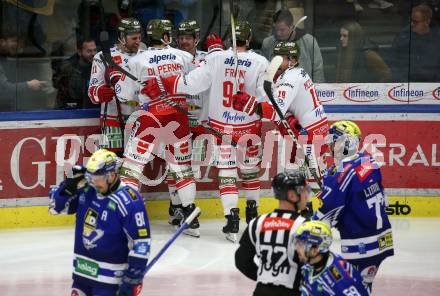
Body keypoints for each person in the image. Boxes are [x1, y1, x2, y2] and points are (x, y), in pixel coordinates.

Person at [143, 21, 269, 242]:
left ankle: (231, 220)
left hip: (222, 127)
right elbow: (268, 99)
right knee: (249, 171)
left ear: (229, 40)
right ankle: (253, 212)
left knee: (227, 174)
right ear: (248, 40)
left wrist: (163, 84)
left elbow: (191, 84)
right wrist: (253, 104)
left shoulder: (215, 58)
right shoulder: (260, 61)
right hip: (250, 127)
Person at [116, 19, 201, 237]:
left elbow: (123, 95)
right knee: (182, 168)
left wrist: (129, 85)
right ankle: (191, 217)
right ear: (166, 36)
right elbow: (196, 83)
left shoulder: (138, 60)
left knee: (132, 168)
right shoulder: (183, 56)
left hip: (151, 119)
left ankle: (127, 216)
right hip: (178, 119)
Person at [49, 149, 151, 296]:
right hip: (82, 275)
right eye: (91, 177)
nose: (93, 182)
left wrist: (133, 276)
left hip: (109, 283)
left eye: (98, 178)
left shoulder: (130, 201)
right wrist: (68, 188)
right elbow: (54, 208)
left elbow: (141, 241)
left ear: (112, 175)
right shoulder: (87, 190)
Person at [232, 41, 329, 193]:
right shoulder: (295, 73)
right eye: (275, 57)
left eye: (281, 58)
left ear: (293, 60)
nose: (276, 61)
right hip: (311, 128)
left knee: (313, 178)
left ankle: (324, 210)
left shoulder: (290, 78)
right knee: (300, 175)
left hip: (309, 133)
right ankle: (306, 209)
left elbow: (276, 110)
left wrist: (251, 105)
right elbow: (277, 102)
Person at [312, 120, 394, 293]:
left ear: (347, 142)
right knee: (364, 287)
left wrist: (308, 226)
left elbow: (328, 214)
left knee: (351, 289)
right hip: (383, 239)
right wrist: (330, 186)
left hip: (361, 245)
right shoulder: (369, 162)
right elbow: (355, 194)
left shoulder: (341, 174)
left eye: (334, 142)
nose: (331, 147)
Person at [235, 171, 309, 296]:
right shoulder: (304, 226)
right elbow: (314, 265)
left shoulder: (257, 223)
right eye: (304, 191)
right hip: (292, 292)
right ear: (292, 195)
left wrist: (265, 278)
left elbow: (241, 260)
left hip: (261, 291)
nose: (307, 195)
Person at [165, 20, 209, 227]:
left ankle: (184, 204)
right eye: (181, 38)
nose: (184, 41)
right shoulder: (171, 58)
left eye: (188, 38)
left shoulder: (207, 59)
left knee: (193, 169)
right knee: (175, 165)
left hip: (200, 121)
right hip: (176, 119)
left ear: (196, 39)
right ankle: (176, 206)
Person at [88, 18, 143, 157]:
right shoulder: (102, 57)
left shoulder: (146, 55)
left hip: (140, 118)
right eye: (134, 38)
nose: (138, 41)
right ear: (122, 37)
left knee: (136, 161)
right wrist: (100, 93)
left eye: (140, 37)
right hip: (112, 117)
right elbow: (92, 91)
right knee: (112, 160)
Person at [293, 220, 369, 295]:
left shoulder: (340, 282)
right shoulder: (311, 263)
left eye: (300, 244)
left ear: (315, 249)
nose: (296, 248)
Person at [260, 9, 325, 83]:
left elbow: (318, 69)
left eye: (282, 30)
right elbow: (263, 70)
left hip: (304, 89)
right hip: (276, 89)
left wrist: (317, 88)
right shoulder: (268, 43)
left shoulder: (309, 41)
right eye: (276, 29)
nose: (278, 33)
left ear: (291, 26)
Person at [391, 4, 440, 82]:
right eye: (411, 20)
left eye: (415, 22)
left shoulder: (437, 38)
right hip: (407, 82)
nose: (412, 24)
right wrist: (401, 80)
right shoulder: (403, 37)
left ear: (427, 22)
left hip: (432, 84)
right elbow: (394, 61)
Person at [0, 33, 47, 111]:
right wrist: (29, 85)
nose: (18, 45)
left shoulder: (10, 59)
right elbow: (3, 89)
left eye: (21, 42)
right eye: (14, 41)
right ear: (2, 42)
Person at [53, 37, 97, 109]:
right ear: (79, 52)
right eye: (89, 51)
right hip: (73, 111)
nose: (93, 54)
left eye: (95, 50)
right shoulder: (68, 67)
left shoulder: (100, 65)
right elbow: (59, 87)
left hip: (93, 109)